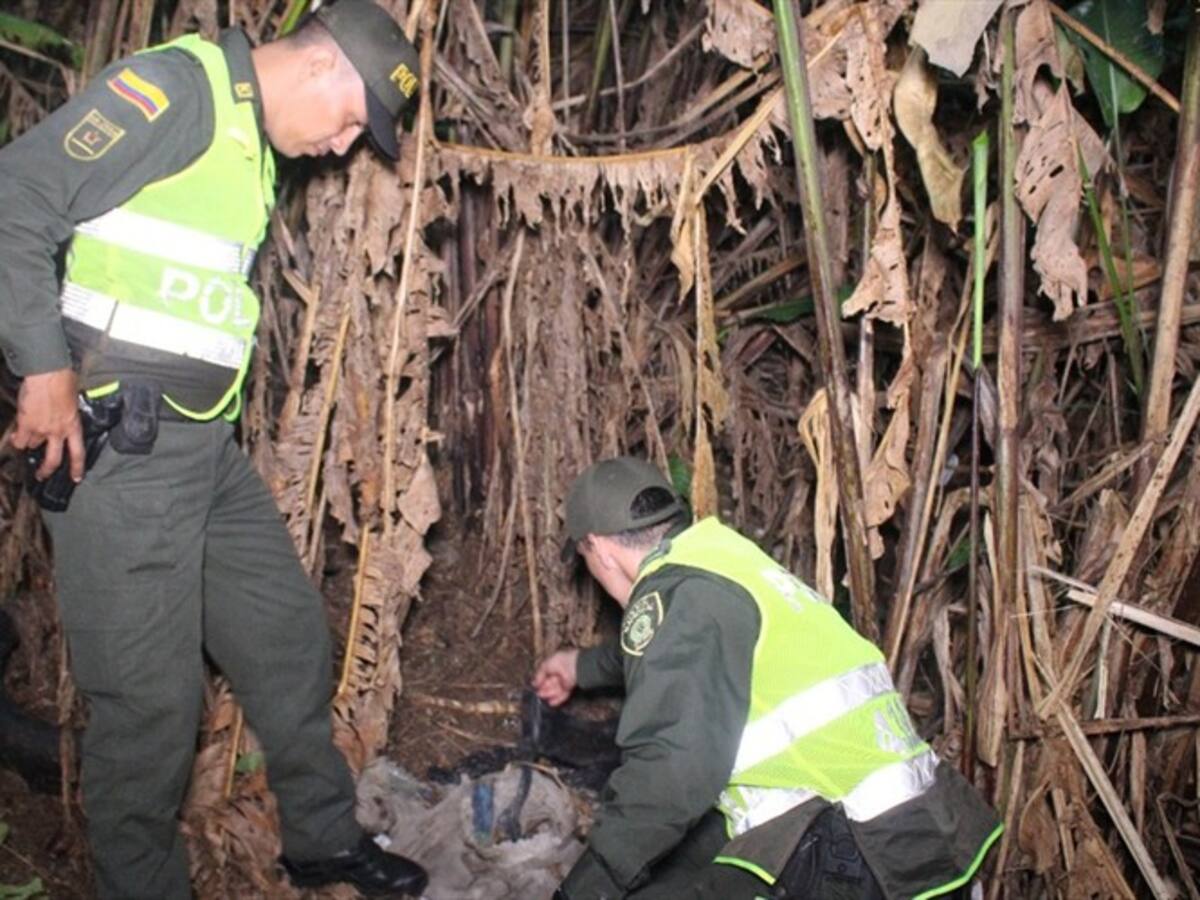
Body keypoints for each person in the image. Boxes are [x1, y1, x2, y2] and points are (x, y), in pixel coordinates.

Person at [0, 2, 428, 897]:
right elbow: (16, 196)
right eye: (354, 117)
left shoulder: (249, 144)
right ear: (319, 67)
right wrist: (42, 371)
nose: (347, 144)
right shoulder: (175, 92)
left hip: (199, 453)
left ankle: (318, 838)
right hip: (120, 455)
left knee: (283, 640)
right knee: (149, 715)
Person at [534, 457, 1003, 899]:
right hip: (926, 831)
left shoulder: (680, 598)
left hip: (860, 856)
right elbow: (675, 658)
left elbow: (670, 774)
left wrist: (584, 887)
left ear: (597, 547)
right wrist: (579, 666)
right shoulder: (722, 563)